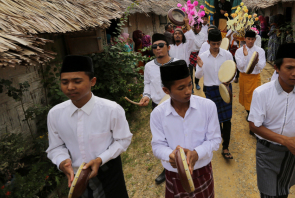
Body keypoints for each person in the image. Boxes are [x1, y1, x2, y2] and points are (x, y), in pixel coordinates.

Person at [46, 55, 132, 197]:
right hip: (77, 178)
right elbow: (55, 147)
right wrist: (62, 162)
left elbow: (123, 140)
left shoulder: (111, 110)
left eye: (77, 81)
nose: (70, 87)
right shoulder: (55, 114)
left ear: (93, 81)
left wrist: (100, 159)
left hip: (108, 173)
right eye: (64, 82)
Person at [248, 43, 295, 198]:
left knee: (284, 191)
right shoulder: (262, 93)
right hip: (268, 152)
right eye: (289, 68)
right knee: (268, 193)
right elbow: (254, 125)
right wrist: (285, 140)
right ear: (277, 68)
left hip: (293, 153)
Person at [150, 60, 221, 198]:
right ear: (166, 90)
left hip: (202, 171)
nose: (188, 91)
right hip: (174, 174)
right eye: (181, 88)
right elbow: (157, 146)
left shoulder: (207, 106)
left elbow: (215, 140)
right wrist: (171, 156)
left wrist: (197, 153)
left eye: (190, 84)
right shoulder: (158, 114)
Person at [134, 33, 180, 185]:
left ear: (168, 47)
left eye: (161, 45)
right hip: (157, 107)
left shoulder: (178, 64)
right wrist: (146, 95)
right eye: (155, 47)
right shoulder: (148, 66)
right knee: (162, 140)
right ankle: (167, 168)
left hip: (176, 105)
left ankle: (183, 164)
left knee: (178, 136)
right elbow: (147, 83)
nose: (158, 48)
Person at [195, 30, 235, 160]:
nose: (216, 46)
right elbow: (198, 76)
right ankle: (219, 135)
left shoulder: (227, 55)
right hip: (210, 90)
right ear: (208, 43)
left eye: (218, 43)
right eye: (213, 44)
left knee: (227, 118)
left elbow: (233, 73)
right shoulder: (203, 56)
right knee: (215, 118)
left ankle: (226, 147)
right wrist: (200, 67)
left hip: (225, 88)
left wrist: (229, 81)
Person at [235, 29, 266, 134]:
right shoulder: (239, 51)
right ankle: (250, 113)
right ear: (245, 39)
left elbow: (261, 66)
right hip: (244, 77)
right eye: (248, 39)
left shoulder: (260, 51)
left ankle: (252, 123)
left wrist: (256, 62)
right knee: (246, 98)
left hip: (255, 77)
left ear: (255, 39)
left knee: (255, 99)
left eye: (252, 39)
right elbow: (240, 66)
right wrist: (245, 56)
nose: (250, 41)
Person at [169, 18, 196, 89]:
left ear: (182, 36)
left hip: (184, 71)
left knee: (186, 90)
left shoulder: (186, 46)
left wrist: (187, 24)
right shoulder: (170, 47)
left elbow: (192, 38)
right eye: (175, 34)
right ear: (173, 36)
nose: (177, 35)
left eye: (179, 34)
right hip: (173, 72)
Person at [189, 23, 205, 91]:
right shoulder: (188, 34)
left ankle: (197, 83)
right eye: (198, 27)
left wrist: (192, 36)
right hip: (189, 54)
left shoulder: (202, 35)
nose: (199, 29)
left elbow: (199, 45)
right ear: (194, 27)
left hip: (198, 54)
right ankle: (191, 87)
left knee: (197, 71)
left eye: (201, 27)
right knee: (190, 72)